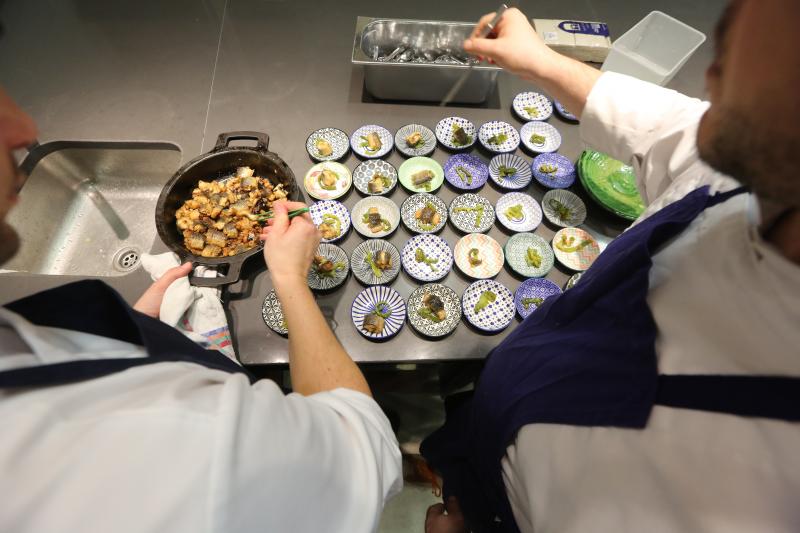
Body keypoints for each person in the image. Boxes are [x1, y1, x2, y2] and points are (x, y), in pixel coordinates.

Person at [423, 2, 800, 533]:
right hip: (498, 419)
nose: (716, 57)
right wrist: (539, 62)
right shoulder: (758, 164)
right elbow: (676, 127)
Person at [0, 88, 401, 532]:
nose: (24, 130)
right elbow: (365, 449)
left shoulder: (20, 338)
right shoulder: (186, 430)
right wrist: (288, 278)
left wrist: (132, 330)